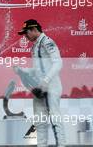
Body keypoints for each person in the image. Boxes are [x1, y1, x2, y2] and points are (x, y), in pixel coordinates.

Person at [14, 19, 66, 147]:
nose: (25, 37)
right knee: (40, 121)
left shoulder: (47, 42)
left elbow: (58, 63)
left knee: (55, 119)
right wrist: (22, 70)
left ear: (34, 30)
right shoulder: (35, 46)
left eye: (26, 33)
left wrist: (46, 80)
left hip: (51, 86)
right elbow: (37, 70)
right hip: (40, 88)